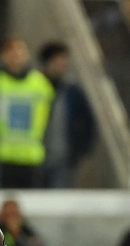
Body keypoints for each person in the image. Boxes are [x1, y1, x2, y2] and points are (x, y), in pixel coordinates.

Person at [0, 38, 55, 189]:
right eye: (11, 51)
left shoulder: (40, 84)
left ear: (28, 55)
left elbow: (49, 117)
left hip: (30, 155)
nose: (16, 55)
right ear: (2, 55)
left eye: (20, 50)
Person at [38, 42, 95, 188]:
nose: (63, 64)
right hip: (34, 156)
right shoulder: (34, 86)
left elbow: (88, 120)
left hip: (63, 158)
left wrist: (81, 149)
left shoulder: (71, 89)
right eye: (58, 59)